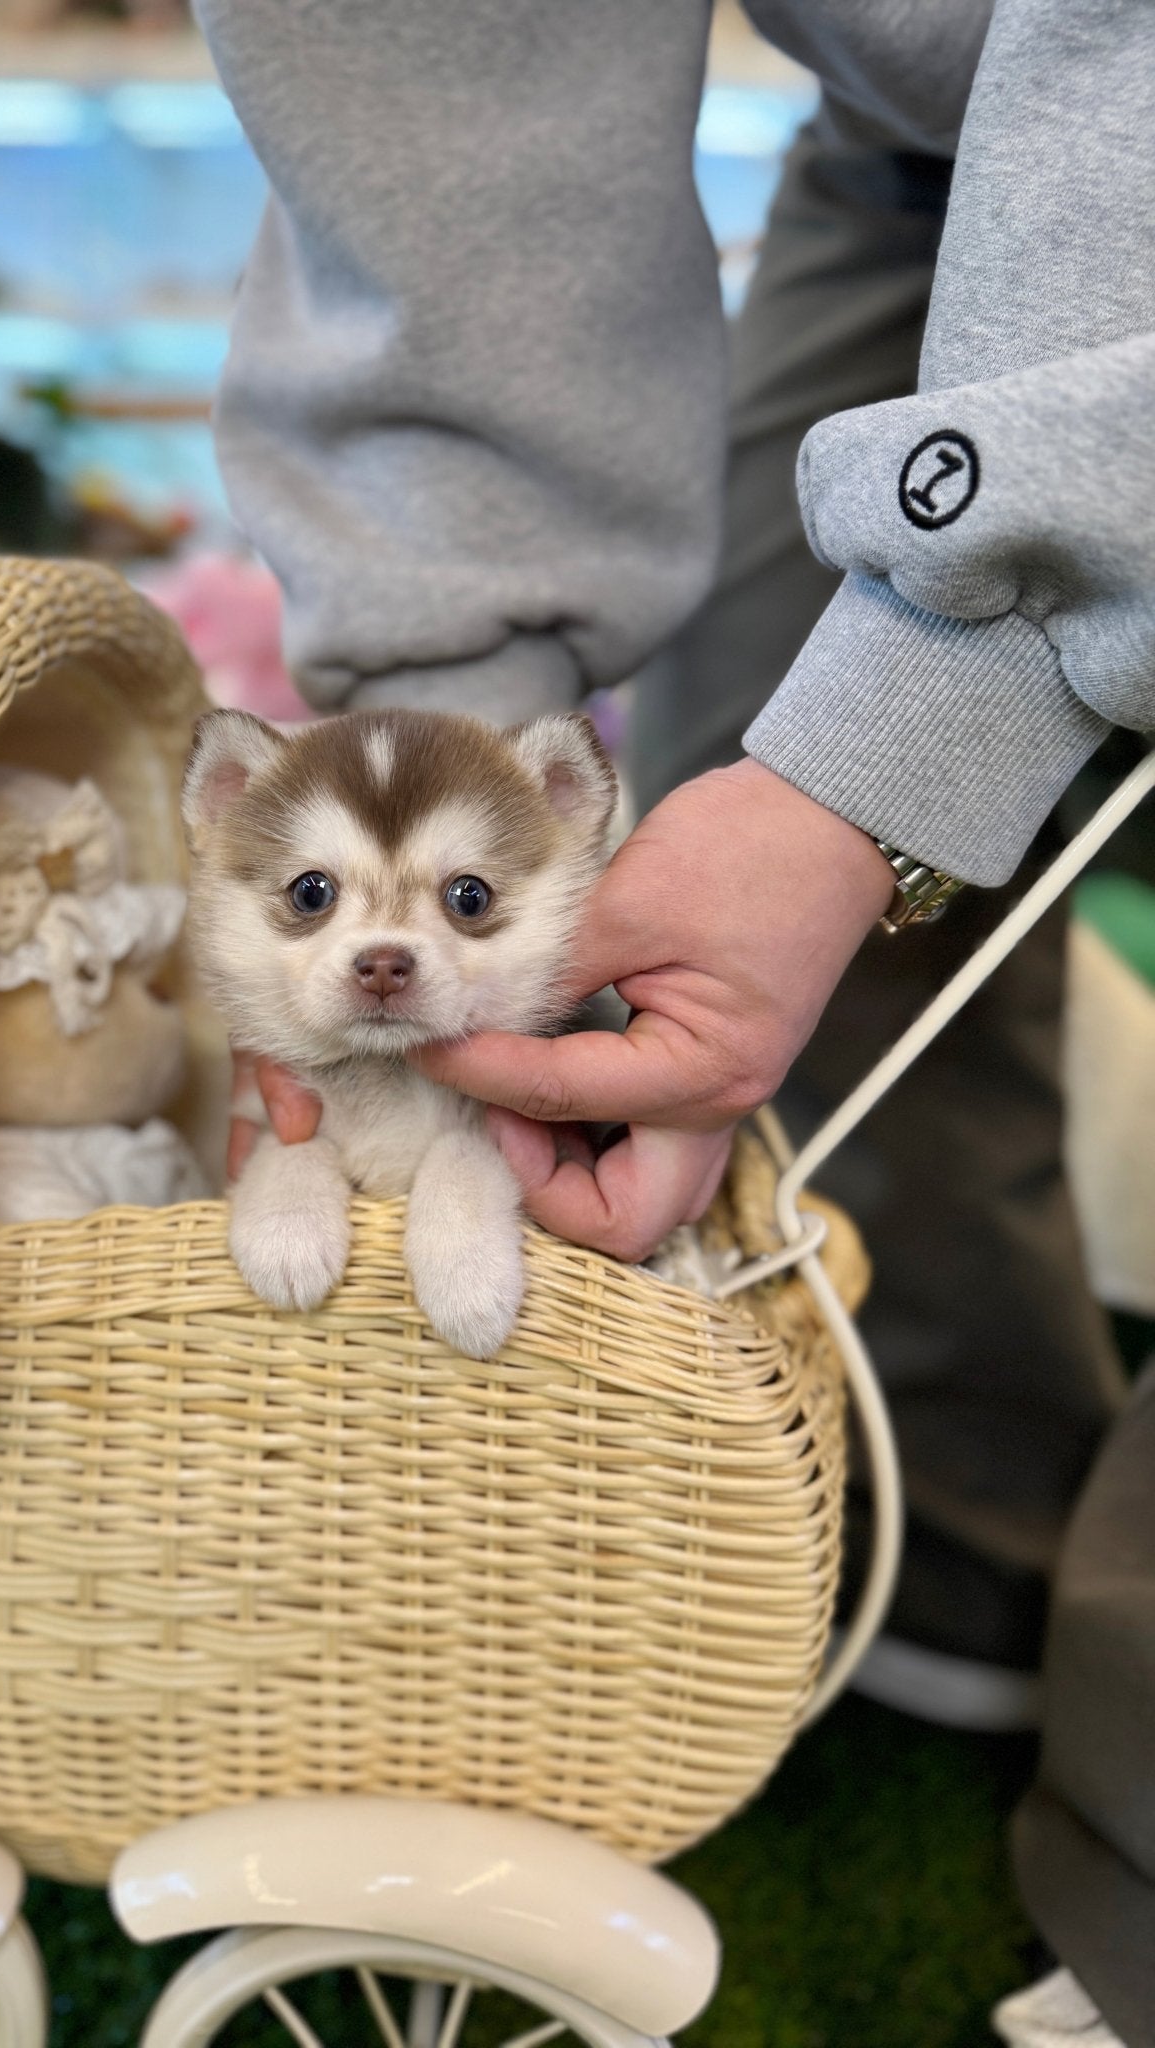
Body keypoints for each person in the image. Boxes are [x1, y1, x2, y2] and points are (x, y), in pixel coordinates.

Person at [193, 2, 1155, 2040]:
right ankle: (942, 1560)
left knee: (838, 806)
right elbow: (439, 77)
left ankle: (1137, 1883)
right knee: (745, 863)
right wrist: (459, 695)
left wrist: (901, 745)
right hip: (908, 119)